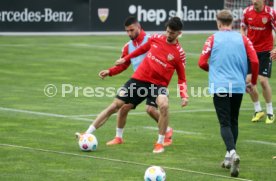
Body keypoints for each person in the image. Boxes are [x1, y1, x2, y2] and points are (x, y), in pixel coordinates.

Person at [76, 17, 188, 154]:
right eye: (168, 31)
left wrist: (184, 95)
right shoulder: (156, 38)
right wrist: (125, 59)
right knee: (116, 105)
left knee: (163, 105)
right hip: (139, 79)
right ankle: (86, 133)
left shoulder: (180, 54)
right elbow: (141, 50)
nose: (168, 35)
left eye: (172, 33)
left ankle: (159, 143)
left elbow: (182, 78)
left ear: (179, 33)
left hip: (158, 85)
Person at [198, 10, 259, 177]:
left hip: (220, 86)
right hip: (238, 86)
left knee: (224, 123)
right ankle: (228, 157)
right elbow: (254, 61)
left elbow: (201, 62)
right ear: (232, 23)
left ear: (218, 22)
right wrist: (252, 81)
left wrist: (214, 70)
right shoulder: (243, 38)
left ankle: (232, 153)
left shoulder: (212, 38)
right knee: (233, 121)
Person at [98, 16, 173, 146]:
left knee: (150, 109)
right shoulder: (128, 46)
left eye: (131, 30)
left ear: (138, 27)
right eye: (127, 31)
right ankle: (118, 137)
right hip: (139, 82)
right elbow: (123, 64)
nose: (129, 33)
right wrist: (110, 71)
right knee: (123, 108)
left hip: (155, 82)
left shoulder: (152, 40)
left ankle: (166, 130)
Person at [240, 0, 276, 124]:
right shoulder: (246, 12)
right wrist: (243, 41)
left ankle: (270, 112)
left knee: (263, 81)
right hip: (251, 52)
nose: (254, 1)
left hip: (266, 52)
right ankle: (258, 110)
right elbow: (243, 28)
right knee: (248, 82)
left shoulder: (271, 13)